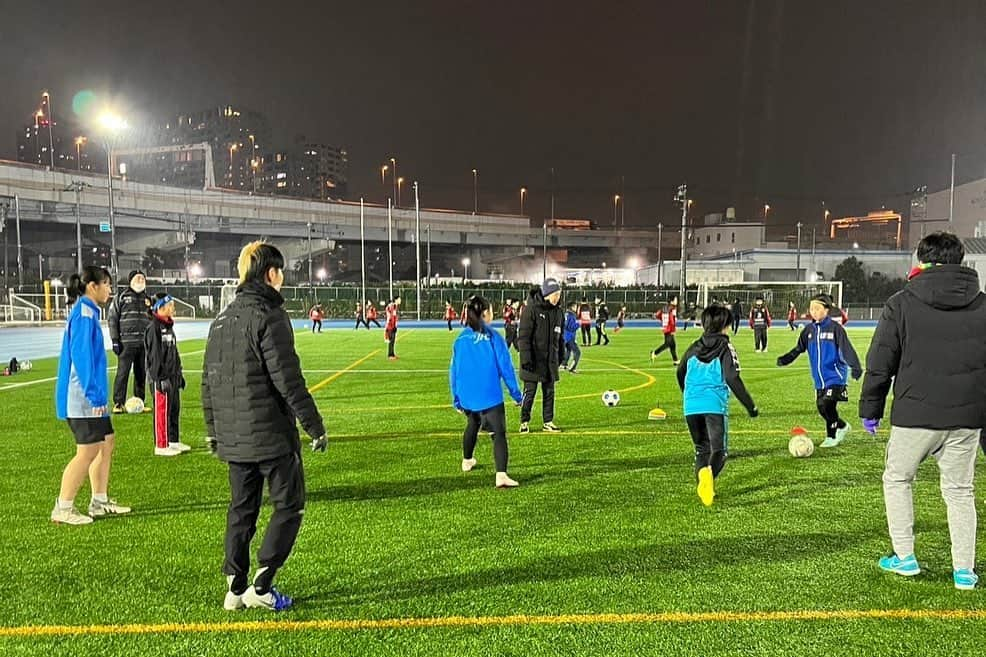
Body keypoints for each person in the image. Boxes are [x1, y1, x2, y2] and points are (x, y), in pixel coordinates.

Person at [202, 241, 327, 612]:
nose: (283, 278)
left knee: (242, 508)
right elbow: (288, 379)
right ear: (271, 273)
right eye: (281, 271)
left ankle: (235, 587)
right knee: (290, 505)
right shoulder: (269, 316)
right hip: (271, 435)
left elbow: (208, 383)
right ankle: (262, 583)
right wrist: (314, 424)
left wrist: (214, 430)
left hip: (235, 439)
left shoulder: (221, 320)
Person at [859, 232, 986, 591]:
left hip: (915, 414)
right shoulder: (983, 304)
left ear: (922, 261)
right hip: (966, 416)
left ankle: (905, 557)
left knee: (898, 480)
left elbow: (881, 360)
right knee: (960, 491)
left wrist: (871, 408)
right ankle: (964, 570)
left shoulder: (901, 302)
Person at [52, 266, 131, 525]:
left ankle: (99, 501)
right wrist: (95, 397)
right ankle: (63, 507)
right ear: (92, 286)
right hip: (82, 398)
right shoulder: (84, 314)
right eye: (106, 284)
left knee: (106, 442)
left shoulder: (88, 312)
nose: (110, 289)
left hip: (91, 396)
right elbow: (82, 359)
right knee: (86, 451)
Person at [676, 305, 759, 506]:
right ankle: (708, 478)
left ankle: (705, 486)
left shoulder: (694, 346)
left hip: (691, 405)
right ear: (726, 325)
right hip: (714, 405)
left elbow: (680, 371)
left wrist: (688, 395)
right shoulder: (725, 347)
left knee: (701, 450)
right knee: (719, 451)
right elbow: (732, 377)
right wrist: (750, 406)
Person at [450, 295, 524, 488]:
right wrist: (516, 394)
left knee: (472, 424)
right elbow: (505, 367)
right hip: (489, 395)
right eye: (491, 310)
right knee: (498, 434)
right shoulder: (493, 337)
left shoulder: (461, 338)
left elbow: (454, 370)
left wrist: (456, 397)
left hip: (467, 396)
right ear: (485, 314)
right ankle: (501, 474)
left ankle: (467, 460)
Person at [776, 293, 862, 448]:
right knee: (822, 407)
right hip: (819, 379)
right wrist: (786, 359)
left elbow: (847, 349)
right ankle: (842, 426)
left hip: (835, 376)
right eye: (811, 309)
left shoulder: (836, 329)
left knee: (828, 404)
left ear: (827, 309)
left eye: (817, 308)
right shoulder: (808, 330)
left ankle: (832, 436)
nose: (814, 312)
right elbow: (799, 349)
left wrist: (855, 367)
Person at [517, 278, 565, 433]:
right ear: (547, 294)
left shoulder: (559, 312)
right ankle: (524, 422)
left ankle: (548, 421)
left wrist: (561, 355)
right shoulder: (531, 310)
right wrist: (526, 359)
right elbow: (523, 337)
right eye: (555, 294)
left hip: (550, 361)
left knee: (549, 392)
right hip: (533, 361)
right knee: (529, 392)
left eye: (559, 294)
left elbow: (560, 336)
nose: (558, 297)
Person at [145, 293, 189, 457]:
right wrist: (159, 377)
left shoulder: (169, 326)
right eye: (170, 305)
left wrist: (179, 374)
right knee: (162, 410)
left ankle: (173, 440)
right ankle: (161, 445)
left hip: (172, 376)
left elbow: (173, 352)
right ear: (160, 308)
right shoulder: (154, 328)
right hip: (161, 378)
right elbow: (154, 356)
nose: (173, 307)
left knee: (173, 409)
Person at [108, 269, 152, 414]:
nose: (140, 281)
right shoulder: (121, 297)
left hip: (143, 344)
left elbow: (152, 321)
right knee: (122, 373)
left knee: (141, 374)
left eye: (142, 278)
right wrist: (115, 339)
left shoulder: (148, 299)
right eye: (137, 278)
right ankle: (118, 403)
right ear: (130, 280)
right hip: (126, 343)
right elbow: (113, 319)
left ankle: (140, 401)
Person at [651, 297, 679, 365]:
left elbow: (657, 315)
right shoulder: (673, 308)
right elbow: (672, 320)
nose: (676, 301)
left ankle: (675, 360)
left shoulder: (664, 307)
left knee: (672, 345)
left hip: (665, 327)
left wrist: (664, 322)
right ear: (672, 302)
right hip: (669, 328)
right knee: (667, 344)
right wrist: (673, 329)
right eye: (675, 299)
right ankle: (654, 353)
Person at [562, 300, 581, 374]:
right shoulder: (572, 315)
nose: (576, 308)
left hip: (565, 336)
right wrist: (578, 324)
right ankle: (572, 368)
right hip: (569, 337)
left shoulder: (566, 314)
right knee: (577, 352)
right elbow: (571, 327)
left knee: (568, 350)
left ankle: (564, 364)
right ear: (572, 307)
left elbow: (564, 325)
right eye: (576, 306)